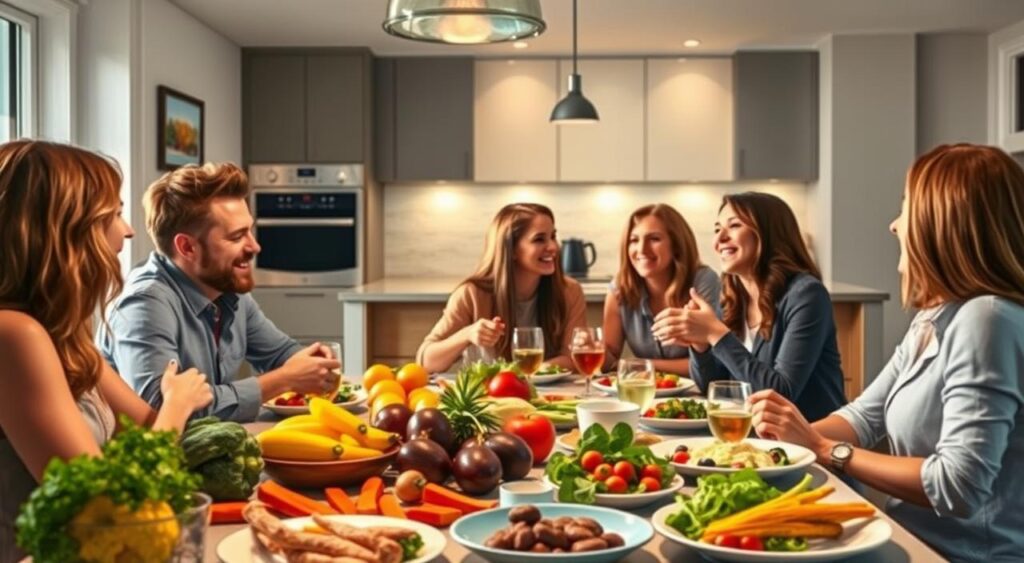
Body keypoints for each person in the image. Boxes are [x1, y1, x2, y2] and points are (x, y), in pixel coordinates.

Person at [748, 144, 1024, 562]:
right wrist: (768, 448)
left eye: (906, 210)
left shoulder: (986, 319)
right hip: (909, 538)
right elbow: (864, 416)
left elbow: (959, 486)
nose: (894, 227)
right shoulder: (935, 317)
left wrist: (824, 450)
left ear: (943, 225)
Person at [0, 140, 213, 559]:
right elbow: (104, 507)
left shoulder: (62, 336)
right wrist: (177, 403)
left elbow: (147, 436)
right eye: (114, 213)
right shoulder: (14, 336)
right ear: (64, 230)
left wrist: (169, 413)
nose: (128, 229)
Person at [97, 163, 340, 422]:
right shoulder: (144, 304)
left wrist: (309, 362)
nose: (255, 246)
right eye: (237, 237)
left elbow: (278, 354)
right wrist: (284, 379)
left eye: (250, 230)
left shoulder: (226, 288)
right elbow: (161, 415)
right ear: (188, 247)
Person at [652, 192, 846, 422]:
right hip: (755, 438)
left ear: (768, 234)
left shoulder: (806, 295)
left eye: (734, 226)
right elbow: (713, 387)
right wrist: (701, 345)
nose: (720, 239)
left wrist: (716, 333)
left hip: (813, 443)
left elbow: (779, 395)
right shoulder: (735, 297)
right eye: (717, 229)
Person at [417, 203, 587, 373]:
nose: (553, 247)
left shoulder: (569, 291)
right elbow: (426, 362)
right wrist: (467, 334)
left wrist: (536, 370)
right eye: (539, 239)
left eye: (553, 236)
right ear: (511, 249)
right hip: (487, 397)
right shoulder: (471, 294)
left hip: (551, 397)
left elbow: (572, 356)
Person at [603, 204, 720, 374]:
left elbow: (712, 363)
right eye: (634, 240)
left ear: (677, 245)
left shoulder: (703, 281)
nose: (641, 249)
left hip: (697, 394)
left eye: (654, 239)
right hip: (645, 392)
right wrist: (591, 348)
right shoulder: (620, 288)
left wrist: (641, 364)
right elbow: (609, 361)